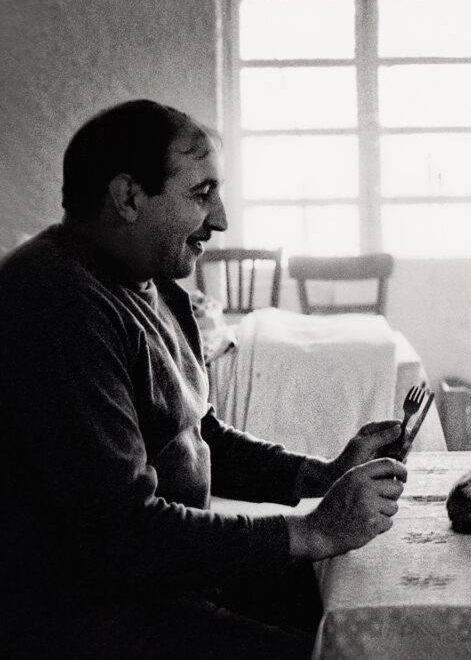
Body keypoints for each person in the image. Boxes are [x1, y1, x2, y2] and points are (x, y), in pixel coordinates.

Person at [0, 99, 408, 659]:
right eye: (200, 194)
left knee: (374, 609)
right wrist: (310, 531)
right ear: (128, 197)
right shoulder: (56, 303)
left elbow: (198, 434)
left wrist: (322, 474)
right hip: (83, 614)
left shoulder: (156, 285)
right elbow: (122, 535)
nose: (220, 220)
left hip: (164, 581)